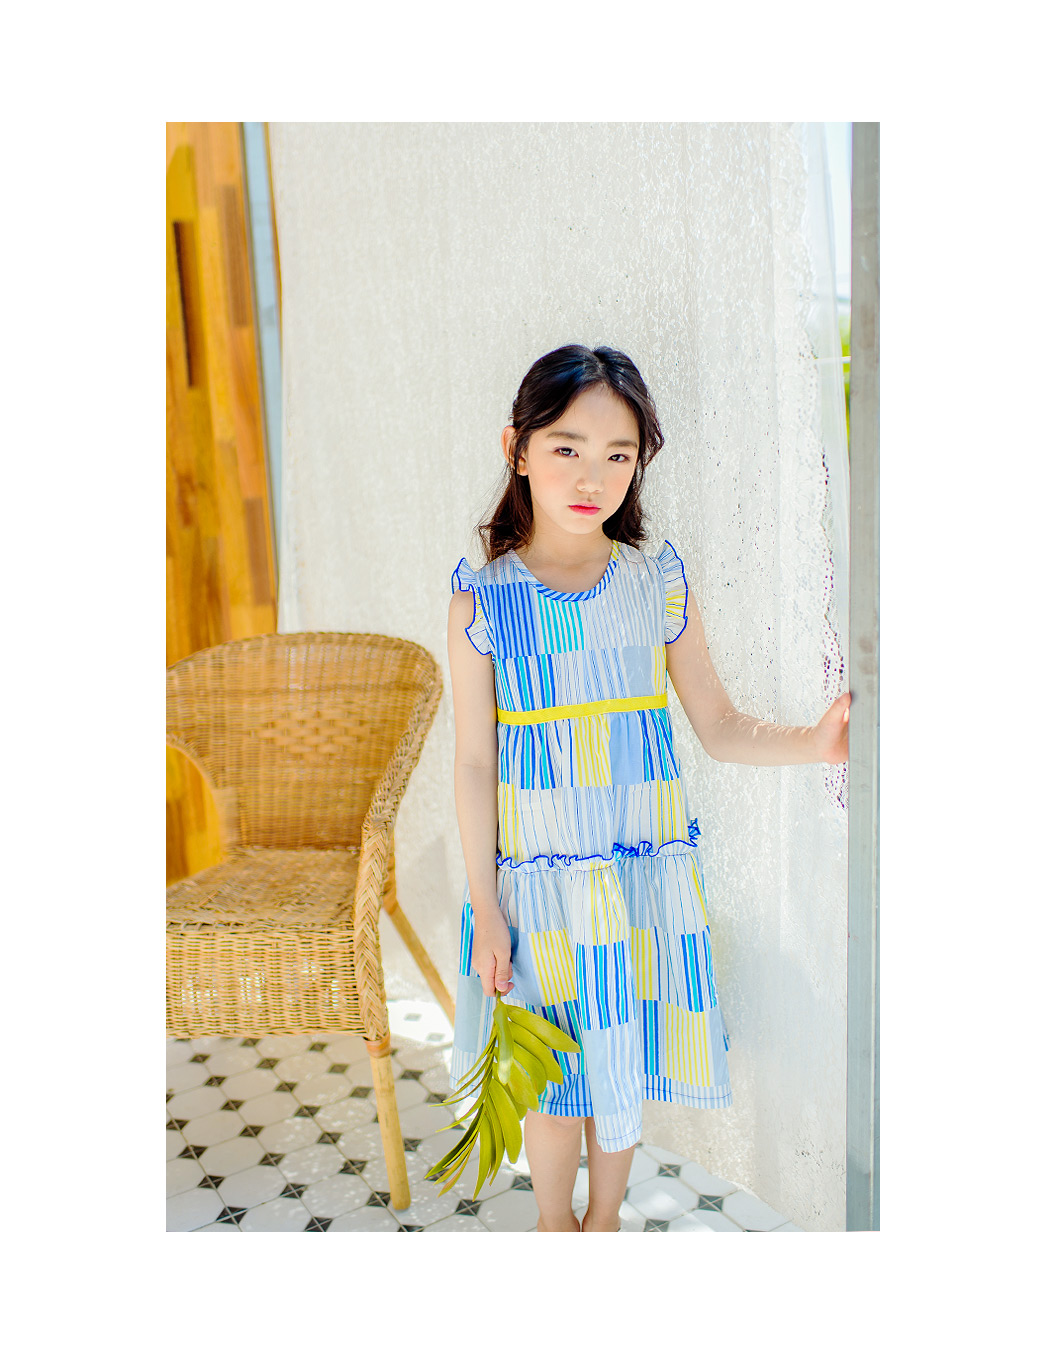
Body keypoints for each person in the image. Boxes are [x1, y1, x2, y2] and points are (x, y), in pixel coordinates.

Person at [446, 343, 850, 1233]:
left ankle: (603, 1226)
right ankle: (555, 1227)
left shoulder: (653, 581)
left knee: (618, 1070)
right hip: (540, 889)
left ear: (639, 464)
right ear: (517, 448)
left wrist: (818, 743)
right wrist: (486, 904)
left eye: (618, 454)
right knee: (555, 1081)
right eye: (566, 447)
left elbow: (719, 722)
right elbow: (474, 764)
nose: (592, 475)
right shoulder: (483, 601)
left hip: (635, 879)